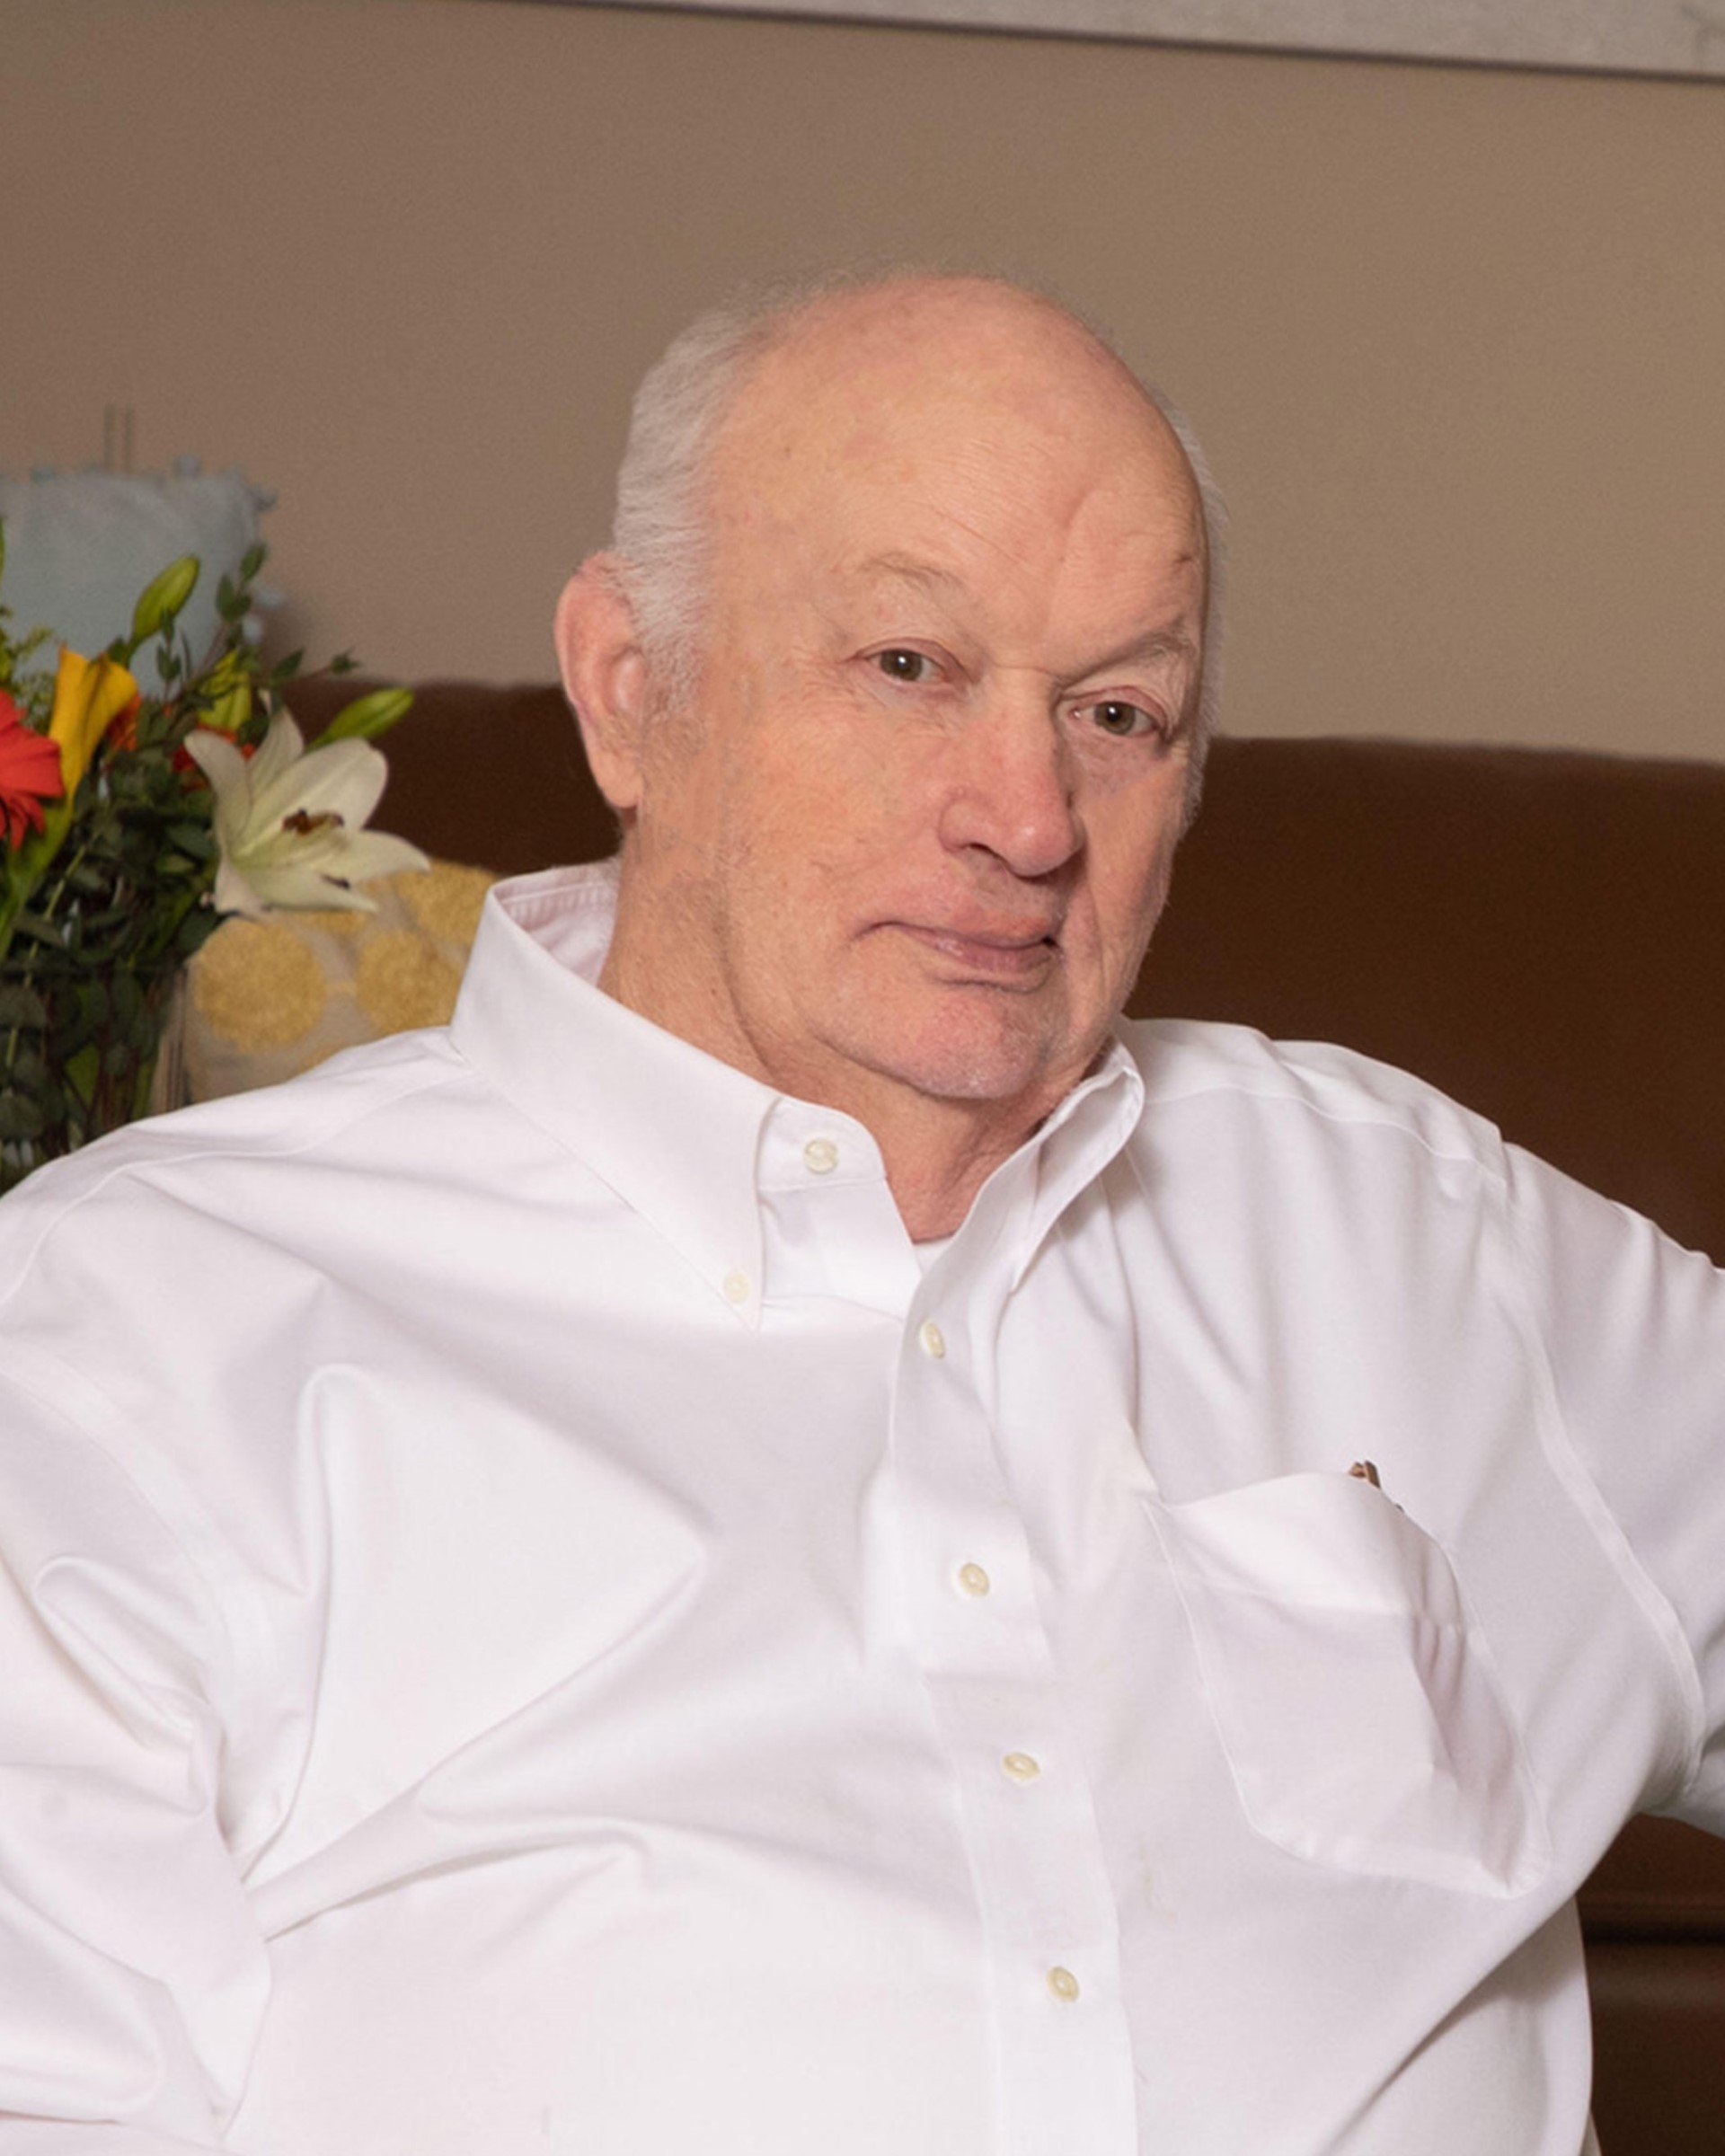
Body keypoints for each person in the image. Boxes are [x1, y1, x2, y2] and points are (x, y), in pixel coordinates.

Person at [0, 271, 1719, 2156]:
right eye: (911, 666)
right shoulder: (122, 1341)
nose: (1029, 818)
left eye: (1120, 711)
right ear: (631, 688)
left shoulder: (1413, 1231)